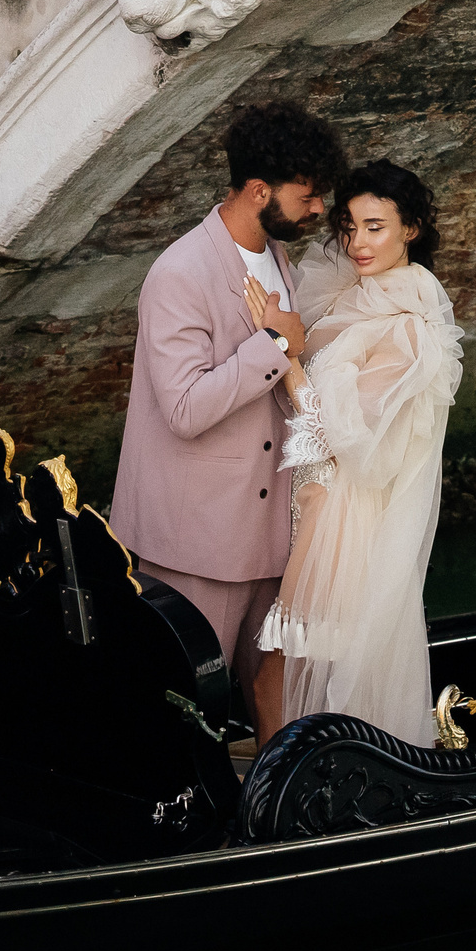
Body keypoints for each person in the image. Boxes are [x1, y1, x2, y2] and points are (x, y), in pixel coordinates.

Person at [111, 102, 350, 718]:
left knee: (276, 706)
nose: (320, 208)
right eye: (309, 194)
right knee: (187, 713)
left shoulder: (279, 256)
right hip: (195, 541)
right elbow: (186, 408)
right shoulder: (178, 274)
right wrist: (273, 345)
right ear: (258, 190)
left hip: (270, 539)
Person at [248, 159, 464, 747]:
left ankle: (285, 798)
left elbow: (348, 442)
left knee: (280, 667)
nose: (358, 242)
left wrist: (283, 353)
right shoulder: (349, 295)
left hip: (344, 514)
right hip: (307, 496)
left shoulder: (410, 325)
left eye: (376, 226)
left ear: (410, 229)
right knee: (279, 670)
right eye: (349, 226)